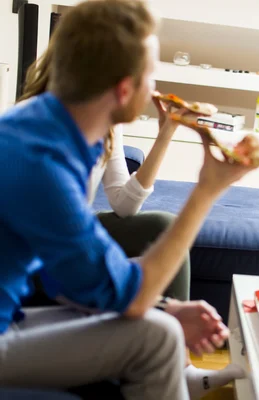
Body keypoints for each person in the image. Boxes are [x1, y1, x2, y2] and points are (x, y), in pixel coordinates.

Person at [0, 1, 259, 399]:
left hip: (14, 309)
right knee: (153, 336)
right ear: (124, 89)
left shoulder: (46, 127)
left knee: (159, 324)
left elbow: (70, 277)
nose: (155, 88)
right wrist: (207, 190)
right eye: (150, 75)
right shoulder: (41, 164)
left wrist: (163, 306)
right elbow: (128, 295)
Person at [20, 41, 190, 303]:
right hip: (34, 243)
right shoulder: (36, 121)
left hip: (77, 227)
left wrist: (165, 134)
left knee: (166, 226)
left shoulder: (109, 123)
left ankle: (179, 331)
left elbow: (125, 205)